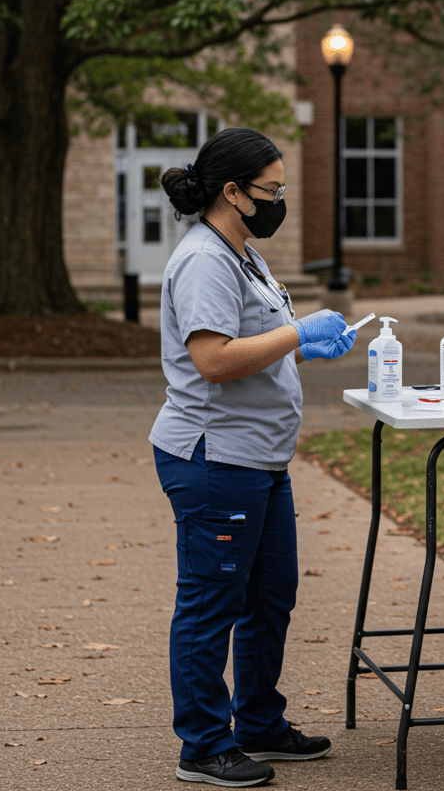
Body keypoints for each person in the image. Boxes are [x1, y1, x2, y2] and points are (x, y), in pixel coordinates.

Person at [150, 126, 356, 788]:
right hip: (216, 458)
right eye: (270, 190)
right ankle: (204, 745)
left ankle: (259, 722)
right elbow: (211, 360)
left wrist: (299, 345)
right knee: (212, 601)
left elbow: (253, 338)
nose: (278, 202)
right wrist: (299, 332)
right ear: (232, 192)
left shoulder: (240, 253)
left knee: (270, 595)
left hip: (260, 460)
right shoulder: (205, 260)